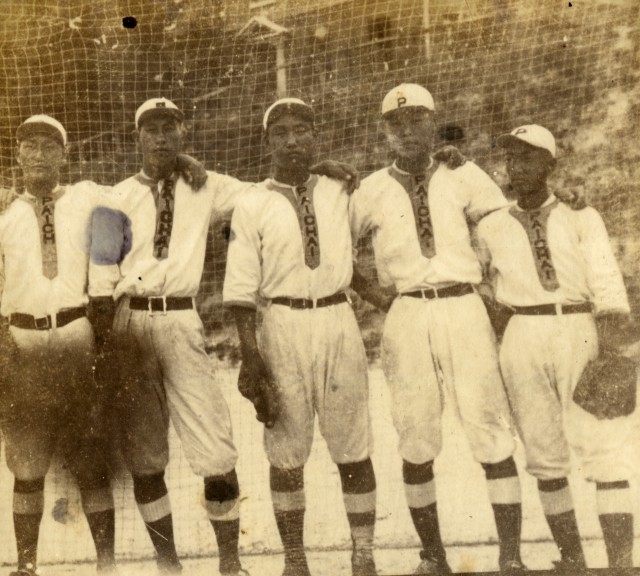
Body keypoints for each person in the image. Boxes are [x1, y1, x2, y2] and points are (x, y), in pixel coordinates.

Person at [88, 97, 357, 576]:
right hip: (131, 323)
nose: (160, 137)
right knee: (146, 457)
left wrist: (323, 167)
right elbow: (101, 285)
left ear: (182, 134)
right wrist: (107, 355)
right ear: (137, 137)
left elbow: (273, 190)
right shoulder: (114, 198)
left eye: (169, 128)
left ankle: (229, 564)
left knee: (216, 450)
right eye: (151, 129)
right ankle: (169, 565)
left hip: (182, 321)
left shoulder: (206, 186)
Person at [349, 84, 526, 575]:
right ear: (384, 131)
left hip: (465, 306)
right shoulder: (370, 188)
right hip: (406, 311)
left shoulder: (462, 171)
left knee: (490, 429)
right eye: (397, 124)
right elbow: (341, 254)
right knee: (415, 434)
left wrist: (495, 293)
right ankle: (433, 558)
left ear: (433, 123)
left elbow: (503, 229)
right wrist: (377, 297)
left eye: (417, 121)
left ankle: (510, 556)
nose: (408, 131)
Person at [223, 98, 377, 576]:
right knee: (287, 452)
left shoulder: (339, 187)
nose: (293, 140)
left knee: (354, 446)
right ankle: (295, 561)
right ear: (268, 140)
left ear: (315, 135)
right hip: (283, 326)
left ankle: (363, 554)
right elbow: (241, 292)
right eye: (282, 132)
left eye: (303, 130)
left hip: (337, 320)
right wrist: (251, 357)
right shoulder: (251, 202)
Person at [477, 124, 635, 572]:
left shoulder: (581, 215)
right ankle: (572, 560)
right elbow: (473, 276)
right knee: (544, 452)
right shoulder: (491, 224)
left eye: (528, 158)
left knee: (604, 445)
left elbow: (606, 283)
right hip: (523, 332)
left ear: (550, 164)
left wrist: (609, 352)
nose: (517, 167)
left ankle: (622, 562)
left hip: (580, 327)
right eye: (511, 158)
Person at [0, 115, 117, 576]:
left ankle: (107, 564)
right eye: (30, 146)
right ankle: (27, 565)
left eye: (50, 145)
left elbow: (140, 191)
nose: (39, 154)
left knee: (88, 457)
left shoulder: (88, 196)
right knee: (26, 463)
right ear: (17, 156)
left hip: (75, 336)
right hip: (22, 342)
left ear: (65, 155)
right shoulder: (5, 212)